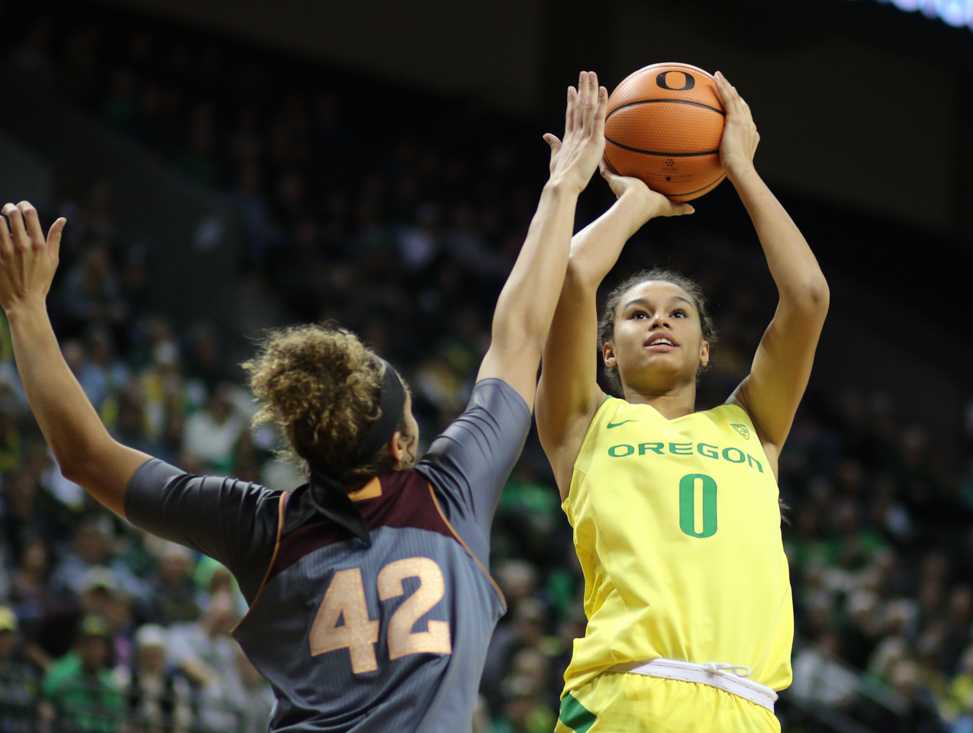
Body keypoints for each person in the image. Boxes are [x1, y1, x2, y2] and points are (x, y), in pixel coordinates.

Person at [0, 70, 609, 731]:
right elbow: (520, 329)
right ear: (402, 445)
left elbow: (85, 456)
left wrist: (25, 308)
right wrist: (564, 184)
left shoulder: (260, 525)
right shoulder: (450, 490)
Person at [536, 71, 829, 732]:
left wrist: (741, 170)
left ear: (704, 348)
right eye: (637, 315)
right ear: (606, 350)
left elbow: (808, 297)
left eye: (679, 312)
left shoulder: (752, 424)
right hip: (625, 698)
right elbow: (575, 274)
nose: (660, 320)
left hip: (747, 709)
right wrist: (637, 203)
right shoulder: (582, 420)